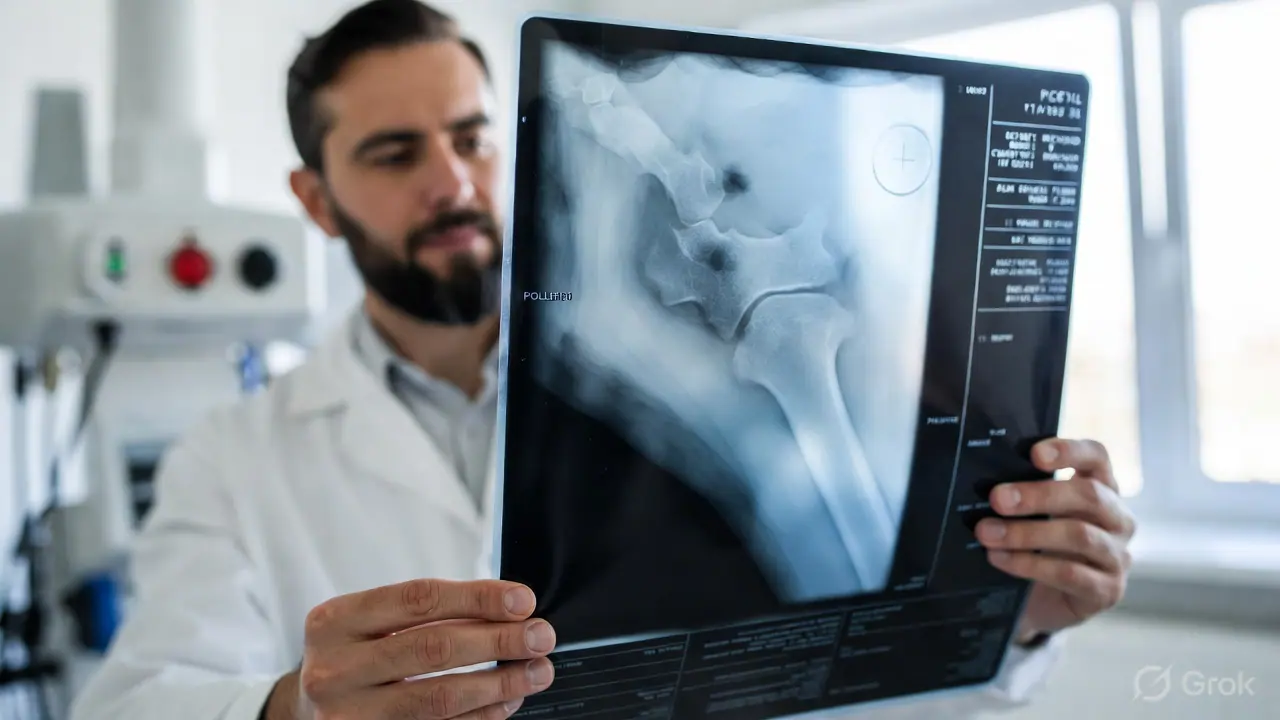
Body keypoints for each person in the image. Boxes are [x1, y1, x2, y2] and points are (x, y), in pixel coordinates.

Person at [69, 2, 1138, 719]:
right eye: (395, 153)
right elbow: (136, 697)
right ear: (316, 199)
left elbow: (813, 673)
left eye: (470, 136)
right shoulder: (236, 452)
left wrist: (1012, 616)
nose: (452, 181)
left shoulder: (665, 394)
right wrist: (289, 706)